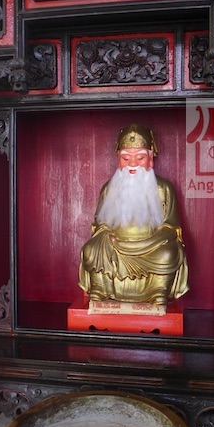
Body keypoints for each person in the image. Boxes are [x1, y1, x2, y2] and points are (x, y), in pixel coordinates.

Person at [79, 123, 189, 306]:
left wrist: (150, 242)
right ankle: (101, 287)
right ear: (118, 159)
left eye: (140, 158)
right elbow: (100, 223)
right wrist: (106, 235)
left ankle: (158, 290)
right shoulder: (109, 189)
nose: (132, 164)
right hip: (116, 244)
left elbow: (171, 226)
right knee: (91, 249)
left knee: (168, 253)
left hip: (150, 246)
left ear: (150, 158)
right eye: (126, 158)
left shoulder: (163, 188)